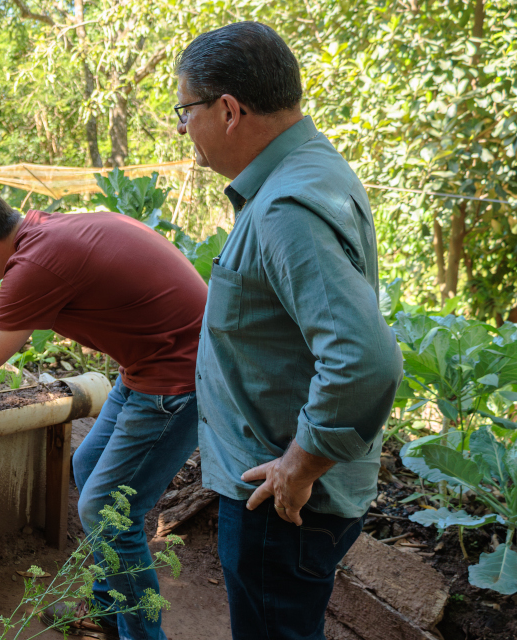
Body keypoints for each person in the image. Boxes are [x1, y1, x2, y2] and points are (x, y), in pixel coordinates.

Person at [0, 181, 206, 640]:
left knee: (106, 506)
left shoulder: (38, 263)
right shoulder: (41, 236)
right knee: (88, 466)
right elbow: (0, 329)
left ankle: (142, 635)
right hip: (150, 365)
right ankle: (107, 611)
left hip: (179, 378)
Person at [174, 22, 403, 640]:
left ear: (227, 109)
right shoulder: (310, 170)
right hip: (288, 494)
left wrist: (297, 467)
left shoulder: (284, 207)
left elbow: (365, 360)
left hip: (277, 503)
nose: (182, 129)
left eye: (184, 111)